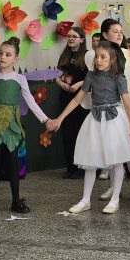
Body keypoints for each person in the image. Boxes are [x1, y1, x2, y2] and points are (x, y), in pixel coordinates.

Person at [49, 41, 130, 215]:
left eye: (103, 57)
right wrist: (60, 118)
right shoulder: (91, 76)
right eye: (97, 56)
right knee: (91, 162)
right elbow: (77, 99)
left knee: (117, 161)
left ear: (112, 59)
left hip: (115, 121)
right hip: (95, 120)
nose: (98, 60)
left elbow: (127, 104)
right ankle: (85, 200)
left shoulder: (119, 77)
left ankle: (115, 200)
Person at [0, 38, 52, 217]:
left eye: (8, 54)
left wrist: (45, 119)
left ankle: (15, 201)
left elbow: (30, 101)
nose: (2, 57)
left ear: (16, 59)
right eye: (0, 53)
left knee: (12, 163)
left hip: (12, 125)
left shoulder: (19, 79)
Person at [91, 20, 130, 199]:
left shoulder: (129, 53)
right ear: (105, 35)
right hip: (109, 106)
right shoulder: (99, 56)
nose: (120, 34)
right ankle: (115, 187)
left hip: (128, 103)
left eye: (121, 31)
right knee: (112, 146)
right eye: (115, 31)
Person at [55, 27, 89, 179]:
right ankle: (71, 167)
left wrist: (79, 84)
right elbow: (58, 75)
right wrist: (61, 83)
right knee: (67, 134)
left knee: (79, 134)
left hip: (82, 99)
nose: (70, 39)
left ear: (82, 39)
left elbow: (91, 77)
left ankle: (81, 168)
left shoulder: (88, 55)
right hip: (66, 97)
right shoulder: (64, 55)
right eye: (69, 36)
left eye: (74, 36)